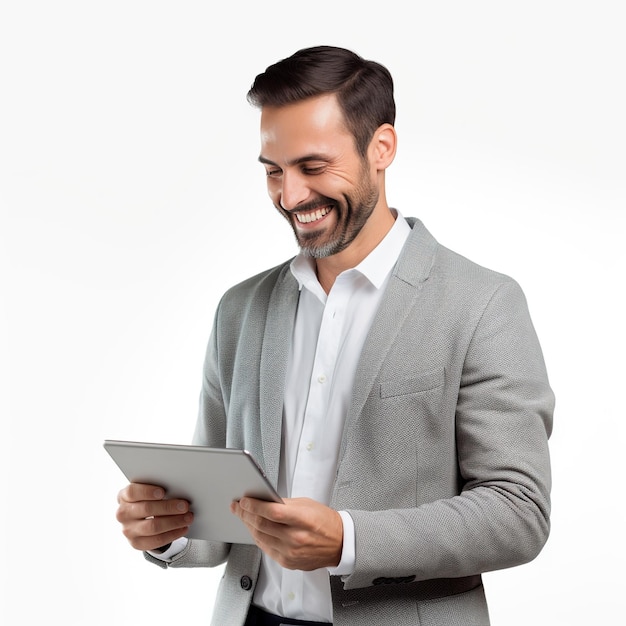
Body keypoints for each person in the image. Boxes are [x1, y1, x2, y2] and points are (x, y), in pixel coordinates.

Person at [115, 45, 554, 626]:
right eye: (274, 171)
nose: (290, 196)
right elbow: (222, 525)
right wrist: (167, 530)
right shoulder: (240, 310)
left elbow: (518, 512)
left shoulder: (482, 304)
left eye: (313, 167)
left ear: (382, 148)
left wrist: (350, 540)